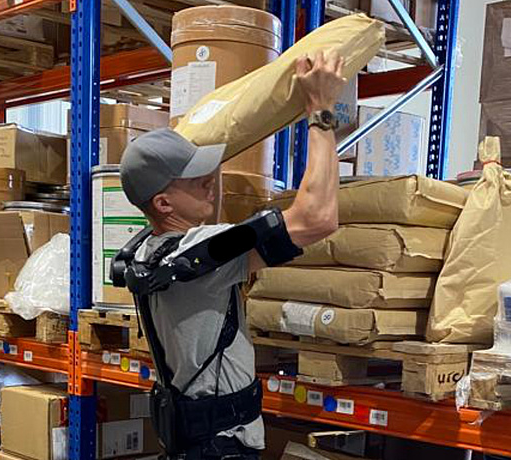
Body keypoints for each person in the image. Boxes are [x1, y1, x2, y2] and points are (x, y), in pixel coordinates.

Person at [117, 49, 347, 459]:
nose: (210, 183)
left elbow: (206, 214)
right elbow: (319, 218)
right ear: (164, 204)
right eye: (196, 179)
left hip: (193, 440)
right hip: (223, 447)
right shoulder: (207, 254)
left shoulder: (144, 250)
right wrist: (321, 110)